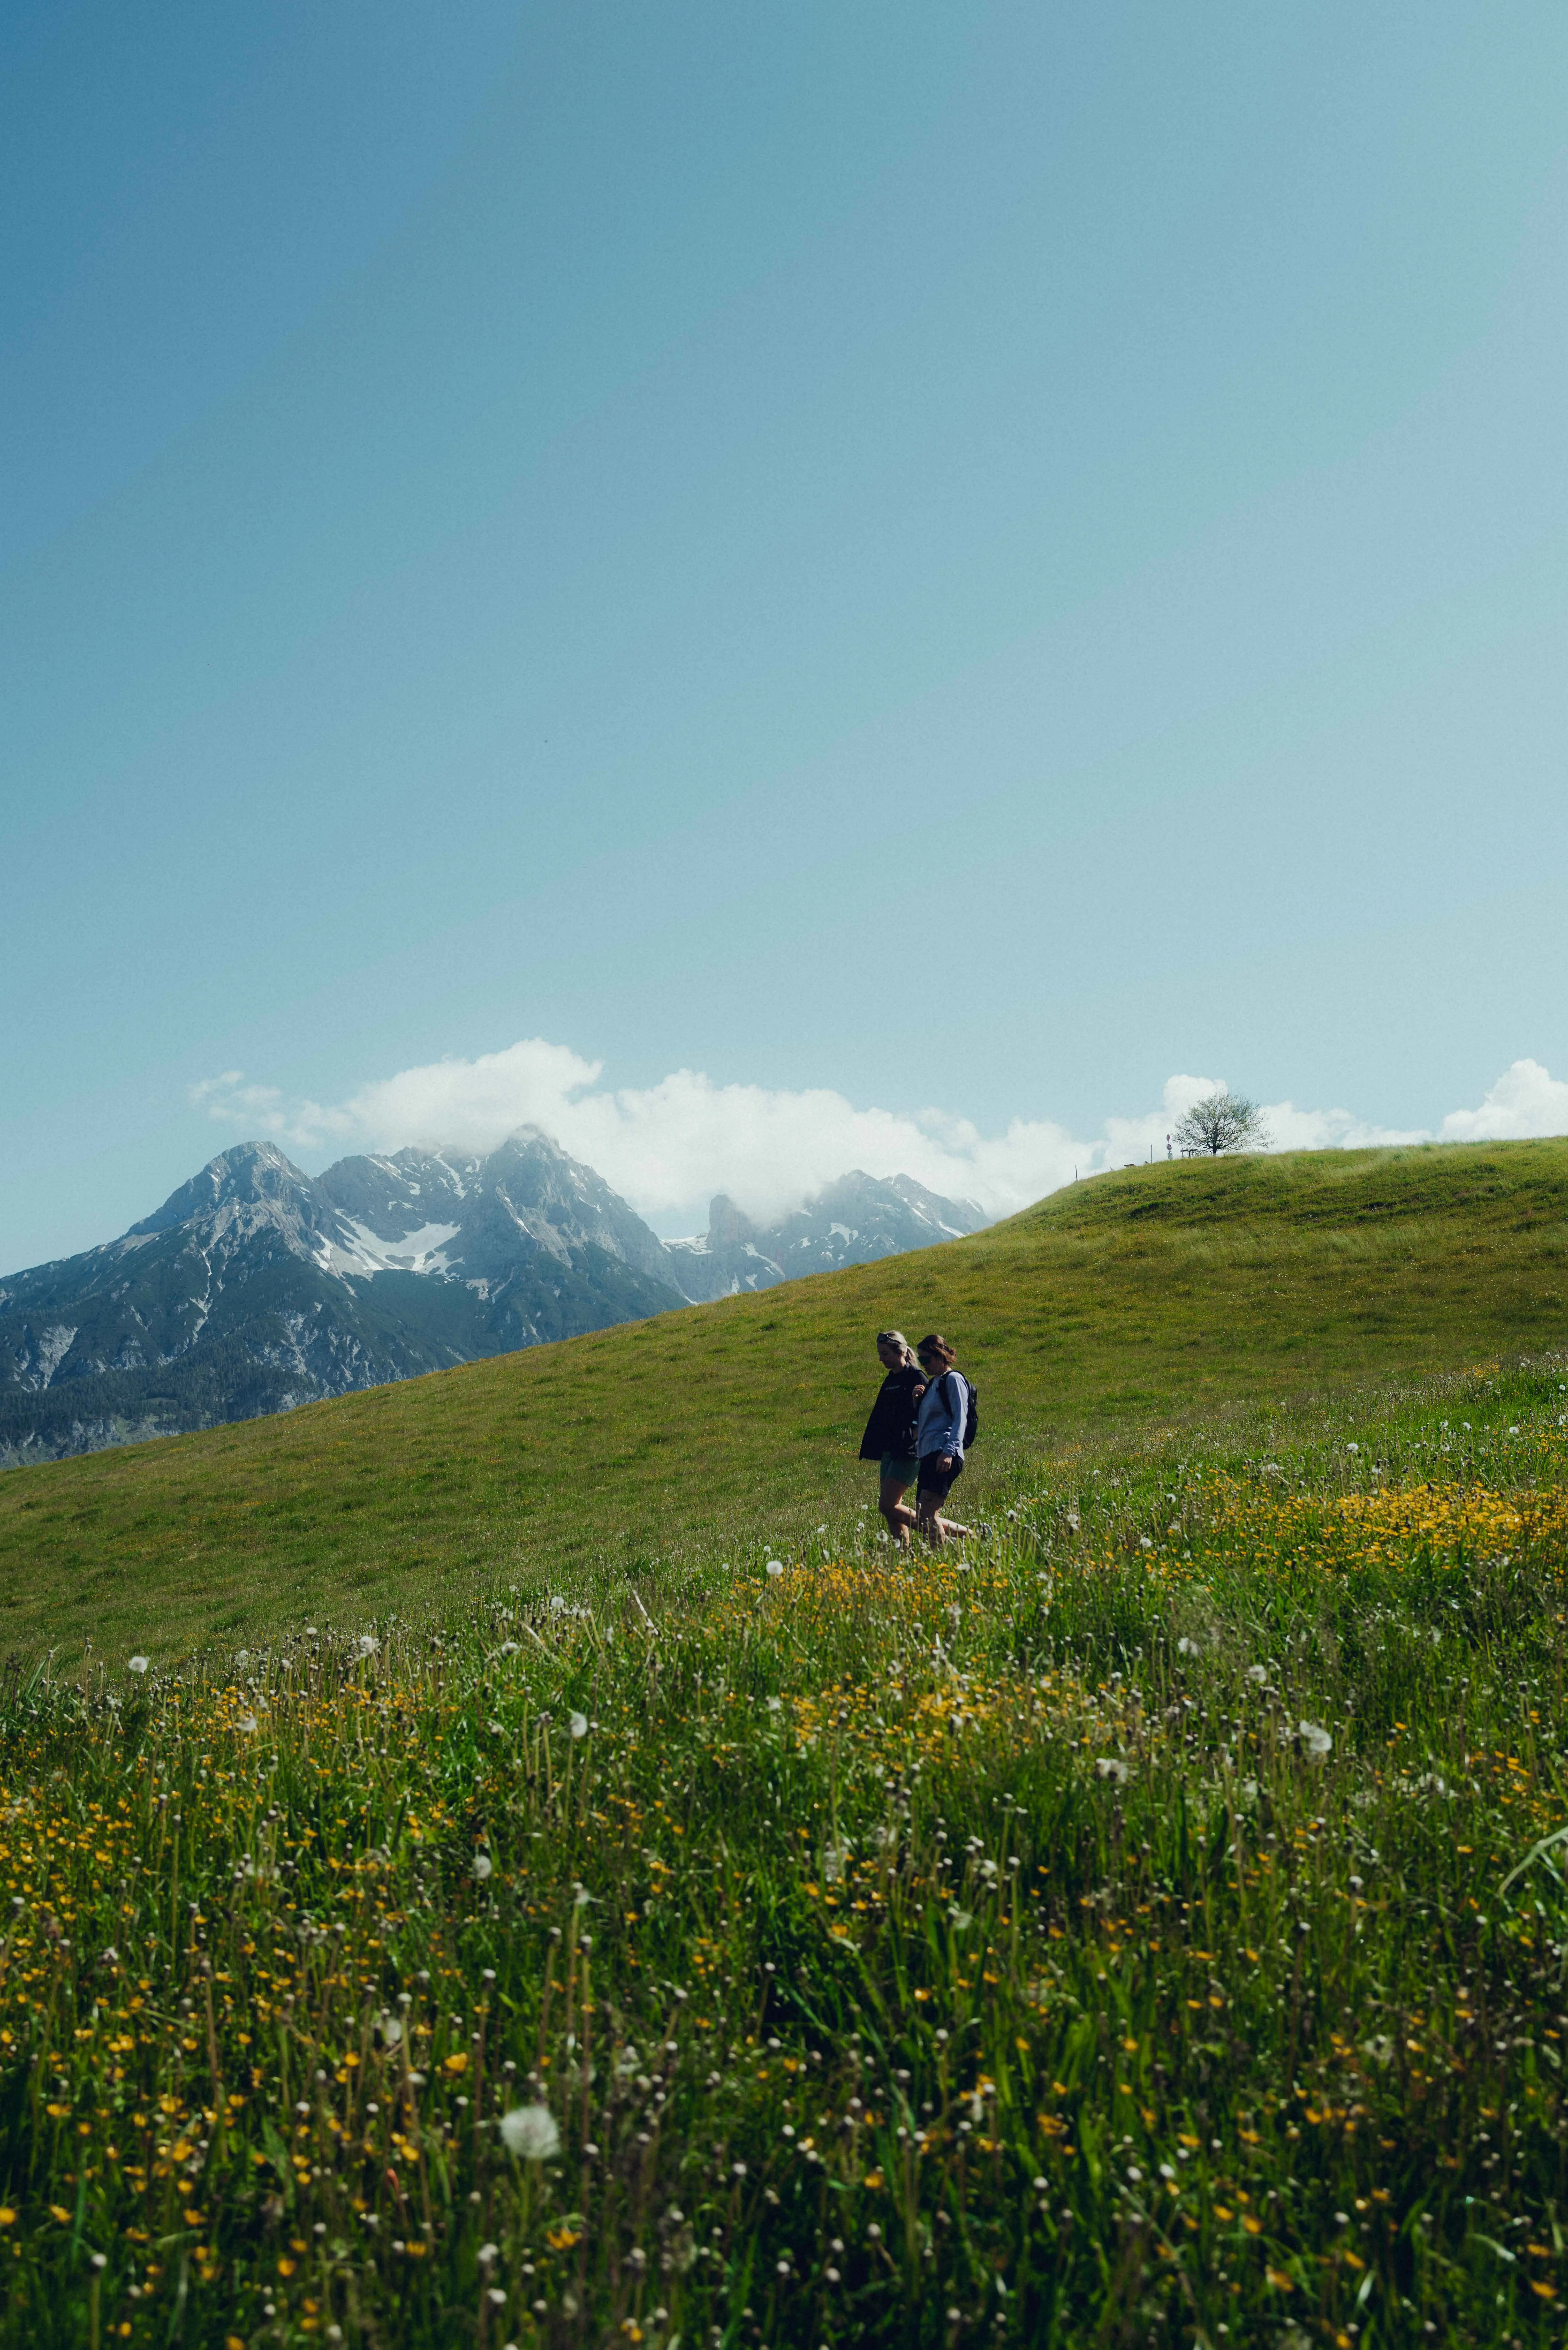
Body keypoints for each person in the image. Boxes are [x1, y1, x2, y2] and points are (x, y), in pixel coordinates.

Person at [858, 1330, 925, 1548]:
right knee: (891, 1509)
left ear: (902, 1351)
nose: (881, 1359)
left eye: (885, 1354)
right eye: (880, 1354)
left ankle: (948, 1531)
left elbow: (927, 1414)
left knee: (887, 1505)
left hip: (908, 1451)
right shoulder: (891, 1380)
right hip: (890, 1451)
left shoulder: (916, 1377)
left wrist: (913, 1437)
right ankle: (905, 1554)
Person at [914, 1332, 974, 1546]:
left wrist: (949, 1452)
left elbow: (961, 1418)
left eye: (926, 1360)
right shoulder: (932, 1385)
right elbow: (924, 1423)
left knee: (928, 1514)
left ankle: (941, 1558)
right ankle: (970, 1541)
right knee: (923, 1516)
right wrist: (917, 1403)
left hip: (944, 1452)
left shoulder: (954, 1380)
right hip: (929, 1454)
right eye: (921, 1361)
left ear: (940, 1356)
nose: (923, 1365)